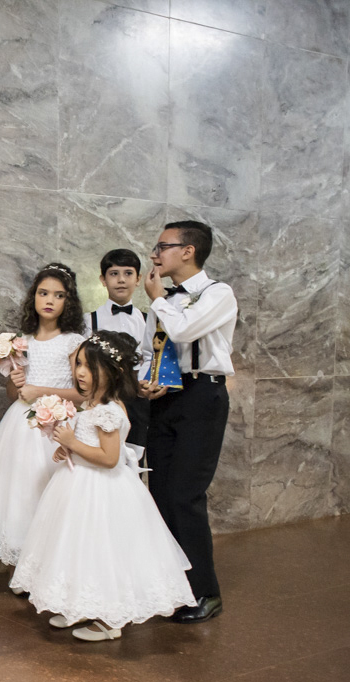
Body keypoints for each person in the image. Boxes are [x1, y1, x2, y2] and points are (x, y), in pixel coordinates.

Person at [12, 332, 195, 641]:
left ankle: (111, 621)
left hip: (102, 490)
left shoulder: (109, 410)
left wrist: (73, 442)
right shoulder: (88, 405)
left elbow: (109, 458)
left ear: (112, 372)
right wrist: (67, 449)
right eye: (79, 364)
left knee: (102, 551)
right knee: (77, 549)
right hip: (78, 485)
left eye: (90, 367)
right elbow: (89, 445)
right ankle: (81, 605)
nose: (80, 372)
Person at [138, 220, 236, 624]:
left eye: (163, 246)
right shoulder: (164, 298)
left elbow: (183, 330)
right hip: (167, 398)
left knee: (185, 494)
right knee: (159, 491)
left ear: (188, 251)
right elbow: (151, 348)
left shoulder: (219, 294)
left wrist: (159, 298)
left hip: (203, 397)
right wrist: (147, 380)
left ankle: (205, 592)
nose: (155, 254)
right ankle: (172, 587)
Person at [0, 264, 87, 567]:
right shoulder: (23, 342)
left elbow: (84, 393)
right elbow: (14, 393)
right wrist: (16, 382)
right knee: (20, 494)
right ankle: (27, 563)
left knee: (54, 491)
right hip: (21, 427)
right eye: (44, 293)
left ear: (67, 302)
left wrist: (39, 390)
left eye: (58, 295)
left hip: (59, 426)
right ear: (33, 297)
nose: (49, 300)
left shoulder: (73, 342)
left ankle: (54, 561)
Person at [84, 249, 150, 449]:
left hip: (137, 399)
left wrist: (144, 383)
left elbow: (150, 357)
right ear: (103, 280)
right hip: (101, 399)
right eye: (114, 274)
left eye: (128, 273)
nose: (121, 280)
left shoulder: (148, 320)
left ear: (138, 279)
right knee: (100, 453)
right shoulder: (89, 320)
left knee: (134, 456)